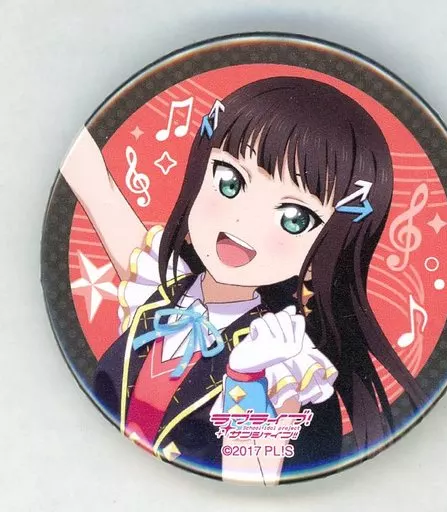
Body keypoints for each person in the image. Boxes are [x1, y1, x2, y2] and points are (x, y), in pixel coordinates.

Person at [61, 76, 425, 484]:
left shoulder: (283, 359)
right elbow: (93, 181)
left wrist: (245, 378)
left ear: (329, 248)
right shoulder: (162, 285)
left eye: (295, 218)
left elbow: (252, 487)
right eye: (229, 182)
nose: (243, 222)